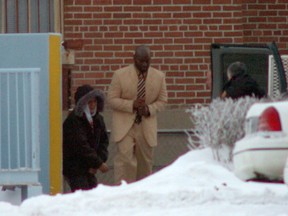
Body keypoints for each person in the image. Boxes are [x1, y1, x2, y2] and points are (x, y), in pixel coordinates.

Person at [107, 45, 168, 184]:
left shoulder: (159, 77)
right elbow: (111, 99)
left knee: (145, 164)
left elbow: (163, 100)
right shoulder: (120, 75)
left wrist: (148, 109)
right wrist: (131, 105)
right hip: (125, 126)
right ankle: (124, 193)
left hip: (146, 126)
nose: (145, 64)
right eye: (141, 61)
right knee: (125, 161)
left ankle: (142, 193)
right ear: (134, 59)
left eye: (147, 61)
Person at [63, 84, 109, 192]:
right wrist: (98, 163)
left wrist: (99, 161)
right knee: (83, 194)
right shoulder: (74, 120)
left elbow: (103, 142)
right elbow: (81, 146)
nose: (92, 105)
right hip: (75, 168)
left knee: (92, 193)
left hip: (89, 167)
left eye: (94, 102)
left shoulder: (98, 119)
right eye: (89, 102)